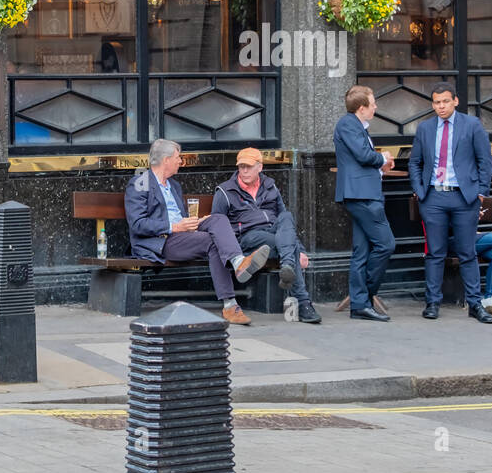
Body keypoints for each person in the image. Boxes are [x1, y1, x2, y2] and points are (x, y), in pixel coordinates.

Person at [124, 138, 269, 325]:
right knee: (212, 241)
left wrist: (195, 222)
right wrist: (174, 226)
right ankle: (230, 304)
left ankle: (239, 262)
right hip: (161, 240)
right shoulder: (140, 182)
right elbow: (137, 223)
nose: (180, 161)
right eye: (178, 157)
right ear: (166, 159)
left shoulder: (174, 185)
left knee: (217, 219)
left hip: (182, 234)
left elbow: (181, 218)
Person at [409, 84, 492, 323]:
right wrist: (419, 189)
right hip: (434, 197)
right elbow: (414, 162)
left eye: (445, 101)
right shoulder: (425, 128)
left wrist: (481, 192)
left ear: (455, 101)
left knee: (467, 252)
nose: (441, 107)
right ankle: (432, 302)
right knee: (435, 253)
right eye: (437, 102)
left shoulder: (472, 125)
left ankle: (475, 304)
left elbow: (484, 161)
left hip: (464, 197)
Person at [213, 147, 320, 324]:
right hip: (248, 237)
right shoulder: (225, 191)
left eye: (248, 166)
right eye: (241, 167)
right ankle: (303, 302)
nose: (244, 171)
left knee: (287, 217)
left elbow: (285, 223)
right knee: (287, 246)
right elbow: (217, 225)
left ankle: (287, 264)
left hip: (275, 235)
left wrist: (300, 249)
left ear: (260, 167)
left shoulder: (270, 186)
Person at [333, 85, 393, 322]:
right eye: (373, 102)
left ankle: (360, 305)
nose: (376, 106)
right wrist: (383, 158)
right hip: (362, 195)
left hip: (363, 193)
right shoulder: (348, 124)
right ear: (361, 108)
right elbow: (364, 155)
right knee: (386, 244)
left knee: (362, 251)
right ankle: (365, 296)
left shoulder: (356, 126)